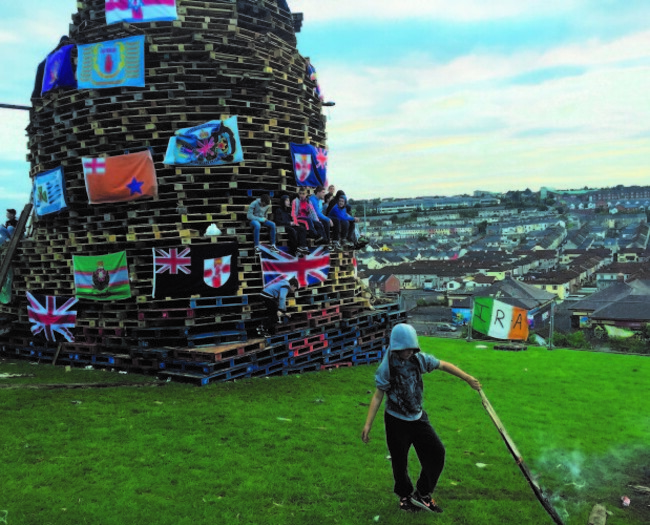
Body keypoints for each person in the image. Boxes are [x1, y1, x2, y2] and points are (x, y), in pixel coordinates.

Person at [361, 323, 481, 514]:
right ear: (396, 347)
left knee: (437, 453)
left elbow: (443, 365)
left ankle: (423, 494)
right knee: (399, 463)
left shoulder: (418, 360)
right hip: (396, 421)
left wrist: (467, 378)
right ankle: (405, 497)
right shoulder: (388, 366)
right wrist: (368, 424)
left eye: (412, 348)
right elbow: (378, 395)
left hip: (417, 419)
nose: (409, 352)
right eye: (405, 349)